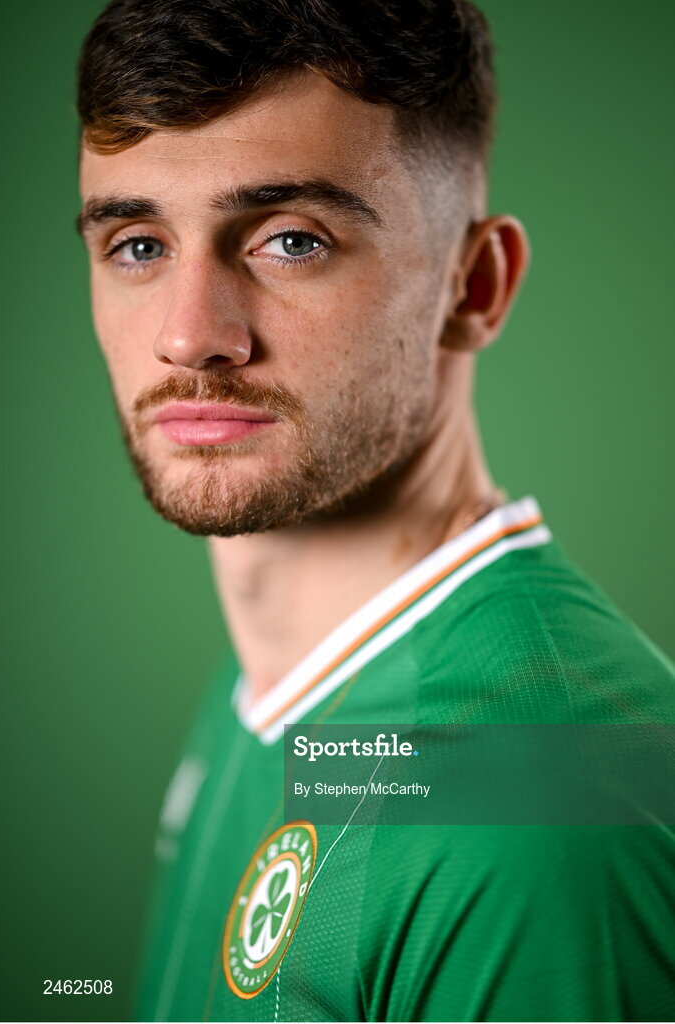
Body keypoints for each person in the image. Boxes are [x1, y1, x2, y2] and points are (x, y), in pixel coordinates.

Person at [76, 1, 675, 1020]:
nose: (189, 337)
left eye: (289, 240)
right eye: (138, 244)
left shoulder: (540, 803)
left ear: (472, 284)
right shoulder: (276, 686)